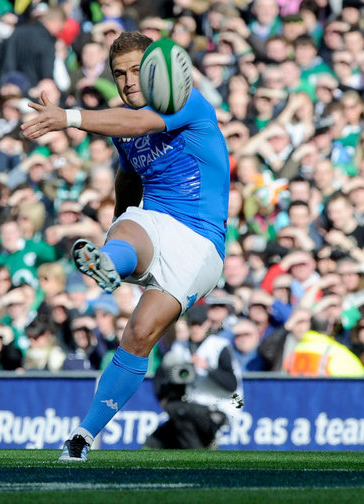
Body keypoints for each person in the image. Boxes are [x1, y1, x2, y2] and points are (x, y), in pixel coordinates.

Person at [22, 31, 230, 461]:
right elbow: (128, 175)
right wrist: (118, 224)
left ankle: (112, 261)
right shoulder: (125, 128)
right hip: (152, 227)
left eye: (138, 70)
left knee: (140, 332)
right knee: (131, 231)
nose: (129, 80)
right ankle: (81, 440)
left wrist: (70, 117)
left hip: (200, 242)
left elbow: (137, 124)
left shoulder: (186, 101)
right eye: (120, 73)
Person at [144, 305, 242, 449]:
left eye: (199, 324)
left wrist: (207, 368)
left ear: (207, 323)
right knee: (153, 443)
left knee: (180, 412)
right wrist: (163, 397)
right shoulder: (180, 346)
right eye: (192, 324)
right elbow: (162, 374)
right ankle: (204, 448)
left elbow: (232, 385)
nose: (196, 329)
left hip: (219, 407)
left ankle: (200, 450)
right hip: (190, 407)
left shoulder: (219, 346)